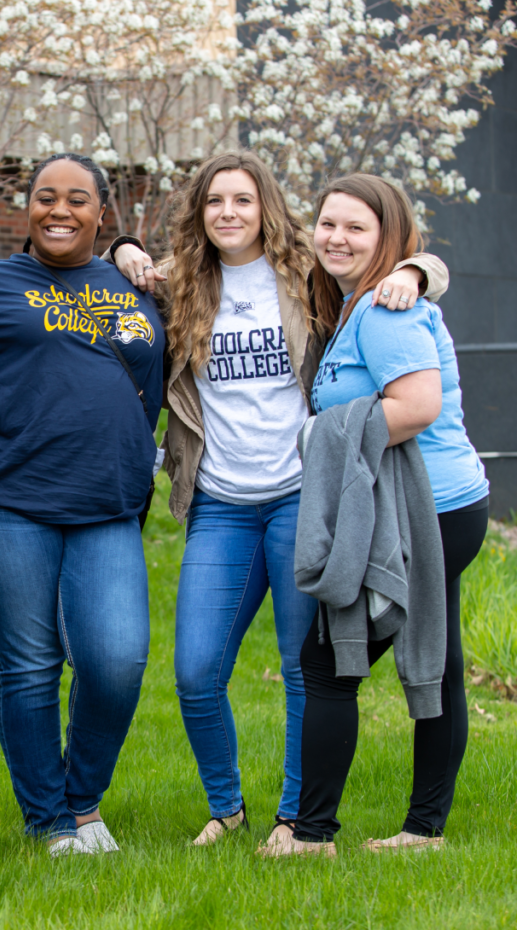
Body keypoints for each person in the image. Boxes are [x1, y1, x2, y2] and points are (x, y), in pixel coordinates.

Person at [110, 152, 449, 851]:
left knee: (304, 670)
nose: (228, 213)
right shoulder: (184, 284)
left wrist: (416, 273)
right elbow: (112, 265)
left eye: (242, 200)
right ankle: (226, 807)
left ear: (267, 206)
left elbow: (407, 262)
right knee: (197, 670)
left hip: (304, 498)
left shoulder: (308, 275)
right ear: (199, 214)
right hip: (222, 503)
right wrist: (121, 249)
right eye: (214, 202)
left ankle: (295, 816)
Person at [0, 153, 165, 855]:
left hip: (106, 500)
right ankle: (51, 821)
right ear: (27, 208)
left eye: (77, 200)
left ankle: (83, 799)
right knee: (29, 659)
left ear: (101, 212)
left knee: (117, 658)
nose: (59, 210)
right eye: (45, 198)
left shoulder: (137, 287)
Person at [269, 174, 489, 857]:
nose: (336, 237)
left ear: (386, 237)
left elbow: (418, 405)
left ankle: (311, 836)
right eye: (328, 223)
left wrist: (319, 439)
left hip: (423, 508)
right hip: (435, 503)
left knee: (330, 659)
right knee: (440, 661)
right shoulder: (358, 301)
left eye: (356, 228)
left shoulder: (390, 309)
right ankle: (425, 831)